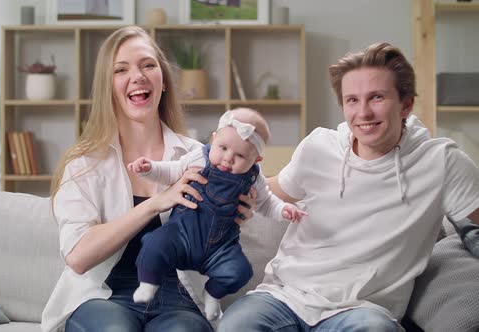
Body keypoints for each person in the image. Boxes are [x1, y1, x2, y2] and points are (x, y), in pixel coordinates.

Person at [218, 42, 479, 332]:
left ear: (406, 104)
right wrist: (221, 189)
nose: (363, 113)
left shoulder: (442, 163)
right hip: (283, 296)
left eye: (376, 97)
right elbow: (272, 190)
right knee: (234, 326)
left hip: (363, 311)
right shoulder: (319, 146)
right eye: (352, 100)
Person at [39, 26, 258, 332]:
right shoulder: (84, 164)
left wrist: (242, 209)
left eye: (147, 65)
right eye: (121, 69)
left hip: (177, 300)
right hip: (102, 298)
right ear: (108, 86)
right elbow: (78, 257)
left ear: (163, 80)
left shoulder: (199, 156)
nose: (138, 76)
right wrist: (155, 203)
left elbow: (255, 189)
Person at [127, 108, 307, 320]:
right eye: (222, 148)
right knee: (154, 244)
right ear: (213, 139)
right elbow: (172, 170)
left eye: (240, 155)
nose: (228, 159)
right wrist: (149, 169)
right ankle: (148, 283)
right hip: (181, 235)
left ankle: (213, 294)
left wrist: (283, 210)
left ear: (256, 160)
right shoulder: (199, 158)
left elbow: (266, 203)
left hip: (220, 248)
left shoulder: (253, 179)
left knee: (239, 271)